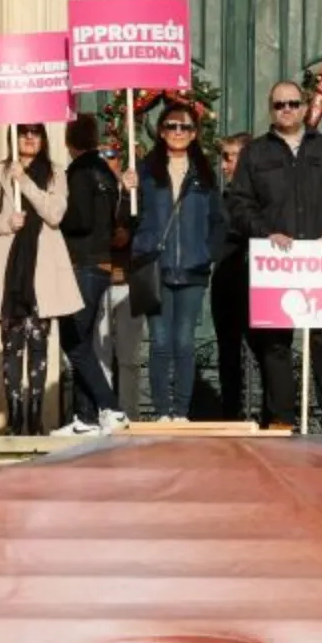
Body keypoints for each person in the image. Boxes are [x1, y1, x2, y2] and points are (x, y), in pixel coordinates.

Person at [227, 79, 322, 435]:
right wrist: (264, 232)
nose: (286, 110)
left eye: (292, 103)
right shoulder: (255, 153)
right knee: (275, 342)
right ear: (271, 110)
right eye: (278, 105)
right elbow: (239, 202)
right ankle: (281, 419)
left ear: (304, 107)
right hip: (277, 260)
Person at [0, 123, 78, 435]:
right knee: (11, 346)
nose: (30, 138)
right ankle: (14, 416)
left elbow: (55, 213)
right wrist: (6, 222)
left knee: (38, 345)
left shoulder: (56, 172)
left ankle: (35, 417)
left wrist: (27, 184)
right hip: (11, 271)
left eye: (36, 132)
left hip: (42, 271)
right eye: (23, 132)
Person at [126, 108, 221, 426]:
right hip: (158, 268)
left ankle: (181, 411)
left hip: (193, 269)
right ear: (161, 132)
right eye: (171, 126)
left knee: (184, 342)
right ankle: (162, 411)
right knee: (161, 342)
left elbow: (218, 220)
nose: (178, 131)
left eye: (185, 127)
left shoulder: (205, 174)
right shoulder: (145, 171)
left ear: (194, 133)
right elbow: (128, 219)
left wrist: (209, 252)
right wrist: (127, 193)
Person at [51, 115, 126, 437]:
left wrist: (55, 218)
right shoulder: (106, 174)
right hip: (102, 264)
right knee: (82, 340)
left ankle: (111, 407)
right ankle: (85, 418)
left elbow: (79, 220)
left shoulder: (79, 172)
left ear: (69, 142)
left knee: (74, 341)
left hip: (82, 263)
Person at [207, 132, 252, 424]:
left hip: (254, 278)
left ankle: (272, 414)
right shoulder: (220, 197)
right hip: (225, 278)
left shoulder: (260, 199)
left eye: (229, 157)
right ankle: (230, 413)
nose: (223, 165)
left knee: (264, 347)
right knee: (228, 350)